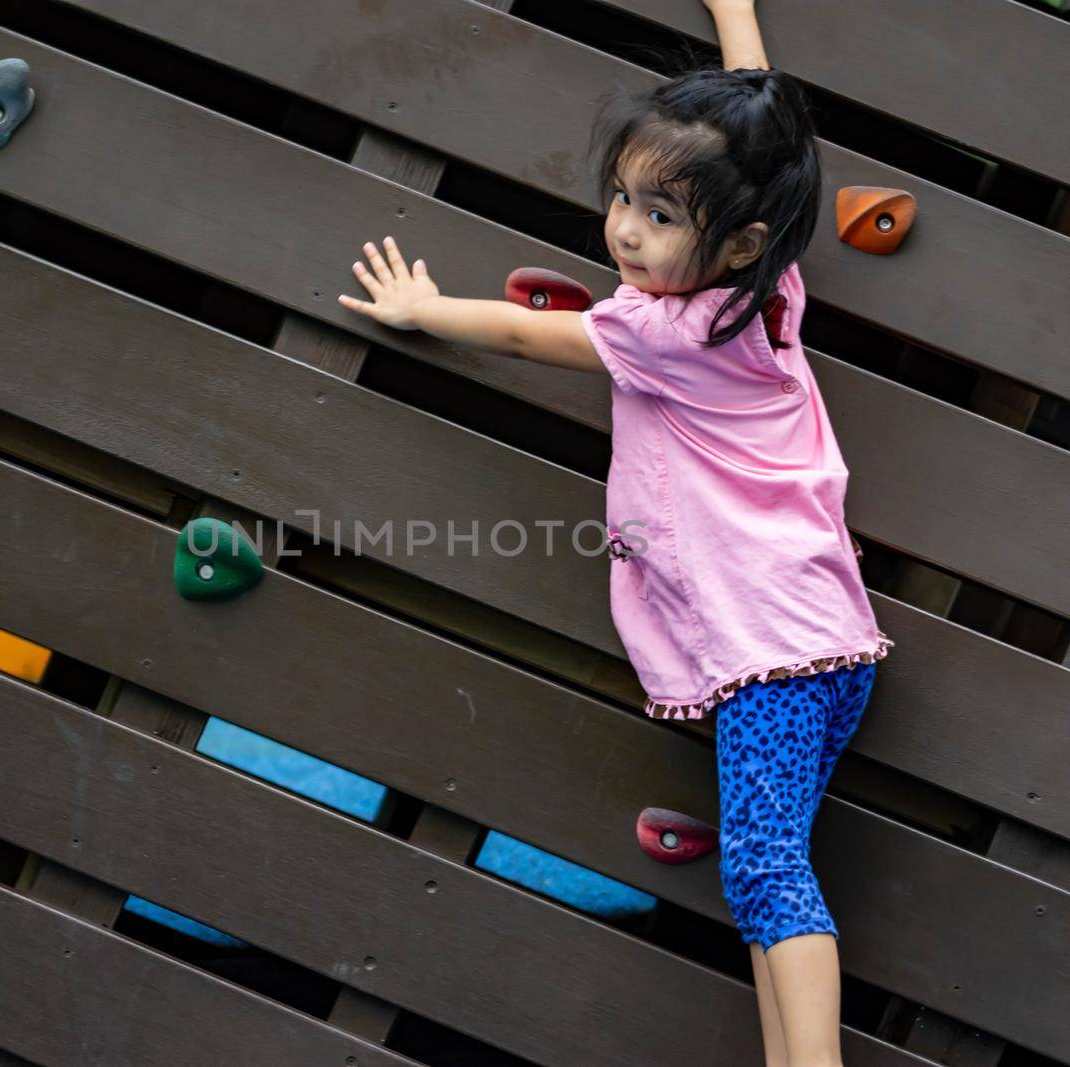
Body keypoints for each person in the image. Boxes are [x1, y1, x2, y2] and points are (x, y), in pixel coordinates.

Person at [337, 2, 891, 1063]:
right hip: (817, 639)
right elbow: (776, 151)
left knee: (767, 870)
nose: (628, 230)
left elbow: (517, 329)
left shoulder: (664, 328)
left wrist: (420, 305)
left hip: (771, 646)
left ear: (734, 238)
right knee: (761, 871)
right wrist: (735, 16)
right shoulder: (769, 292)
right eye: (624, 199)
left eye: (660, 216)